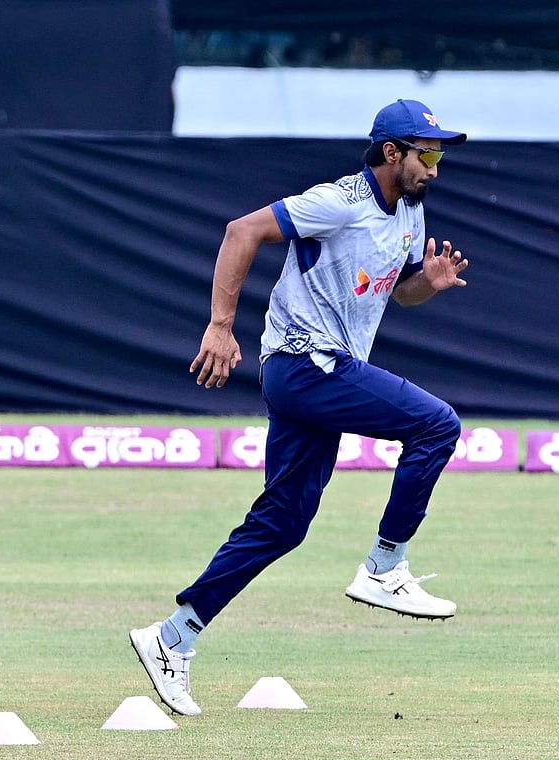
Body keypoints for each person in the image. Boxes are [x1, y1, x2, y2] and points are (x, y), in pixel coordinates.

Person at [130, 99, 470, 716]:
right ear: (391, 152)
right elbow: (242, 231)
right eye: (429, 154)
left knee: (283, 523)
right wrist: (220, 325)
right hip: (306, 364)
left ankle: (172, 635)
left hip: (317, 376)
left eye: (440, 155)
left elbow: (399, 294)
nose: (436, 168)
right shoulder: (340, 200)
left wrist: (430, 282)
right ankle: (384, 565)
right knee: (437, 424)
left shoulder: (411, 213)